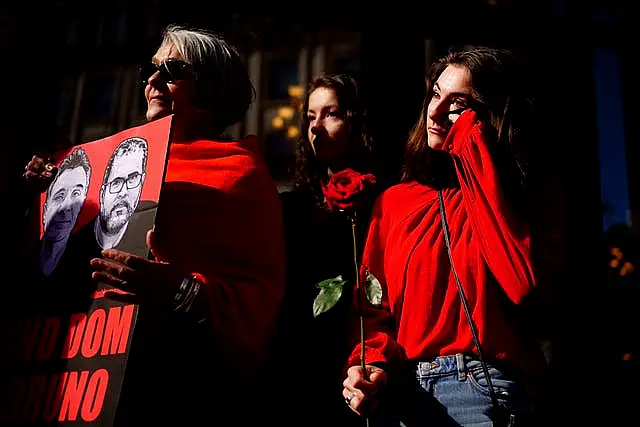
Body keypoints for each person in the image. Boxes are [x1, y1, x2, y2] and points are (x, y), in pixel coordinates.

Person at [23, 24, 286, 425]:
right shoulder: (114, 166)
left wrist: (181, 289)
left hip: (172, 387)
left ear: (211, 87)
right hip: (75, 382)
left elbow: (258, 301)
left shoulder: (241, 175)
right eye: (151, 69)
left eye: (174, 70)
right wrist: (48, 197)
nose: (153, 80)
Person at [341, 46, 548, 426]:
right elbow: (373, 310)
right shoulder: (395, 202)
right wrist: (369, 367)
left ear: (490, 115)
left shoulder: (513, 193)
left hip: (480, 388)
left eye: (458, 103)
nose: (434, 113)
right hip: (402, 395)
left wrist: (469, 143)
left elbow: (522, 283)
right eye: (434, 94)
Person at [274, 72, 379, 426]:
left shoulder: (383, 202)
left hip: (362, 358)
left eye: (330, 114)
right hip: (299, 362)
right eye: (310, 117)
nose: (316, 127)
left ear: (356, 121)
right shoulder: (291, 207)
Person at [39, 147, 91, 277]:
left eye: (76, 194)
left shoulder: (81, 270)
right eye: (60, 196)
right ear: (45, 209)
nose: (67, 206)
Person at [95, 136, 148, 250]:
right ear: (102, 192)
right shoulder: (75, 241)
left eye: (133, 178)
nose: (123, 192)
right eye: (116, 183)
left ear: (142, 180)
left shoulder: (151, 222)